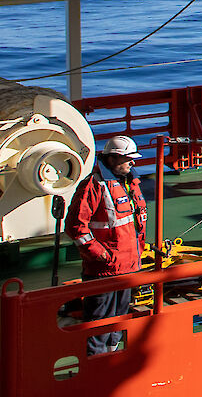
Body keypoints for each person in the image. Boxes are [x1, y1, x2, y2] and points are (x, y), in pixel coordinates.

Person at [65, 135, 148, 355]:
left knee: (119, 321)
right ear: (112, 159)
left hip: (128, 267)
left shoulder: (131, 183)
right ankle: (94, 366)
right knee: (98, 322)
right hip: (104, 271)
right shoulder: (93, 187)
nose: (132, 164)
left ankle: (111, 360)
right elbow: (75, 227)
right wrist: (101, 255)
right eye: (127, 159)